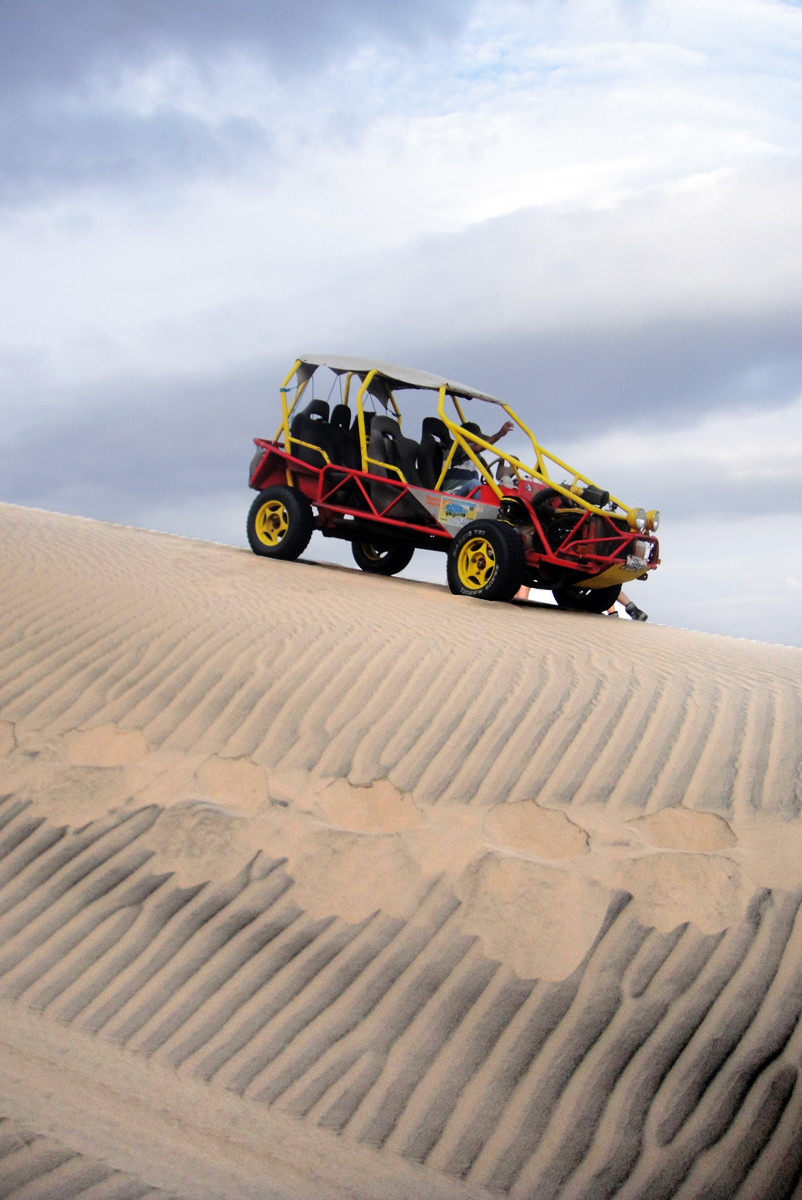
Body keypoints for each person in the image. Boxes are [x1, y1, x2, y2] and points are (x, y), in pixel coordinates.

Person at [442, 420, 515, 495]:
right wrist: (500, 434)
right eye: (475, 438)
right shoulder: (456, 447)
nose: (477, 441)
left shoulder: (475, 454)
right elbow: (478, 448)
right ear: (464, 437)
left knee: (501, 491)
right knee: (475, 484)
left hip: (470, 493)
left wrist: (499, 474)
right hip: (453, 493)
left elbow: (487, 471)